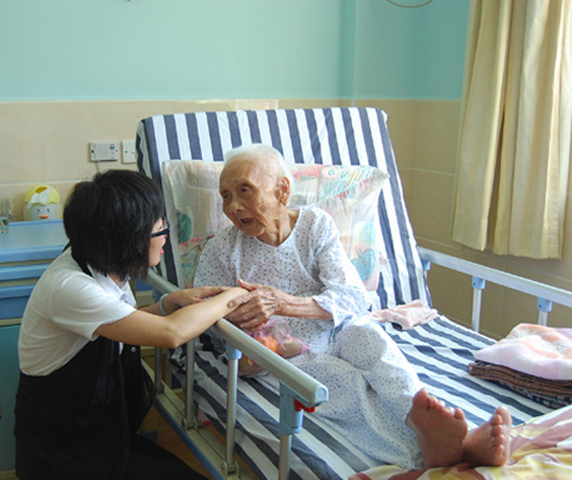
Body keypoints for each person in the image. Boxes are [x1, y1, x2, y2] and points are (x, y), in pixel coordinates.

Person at [193, 144, 512, 471]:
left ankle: (426, 417)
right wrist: (238, 317)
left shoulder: (314, 225)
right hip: (283, 351)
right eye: (226, 195)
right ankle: (423, 451)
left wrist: (283, 303)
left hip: (336, 326)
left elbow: (353, 297)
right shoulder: (223, 249)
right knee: (343, 383)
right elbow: (201, 310)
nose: (233, 206)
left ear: (282, 191)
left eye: (244, 191)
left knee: (372, 343)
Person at [14, 170, 246, 480]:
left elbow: (119, 323)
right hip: (60, 448)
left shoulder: (102, 262)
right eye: (158, 228)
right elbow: (171, 334)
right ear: (127, 238)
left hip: (95, 434)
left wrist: (168, 303)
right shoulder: (71, 287)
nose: (165, 234)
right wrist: (235, 294)